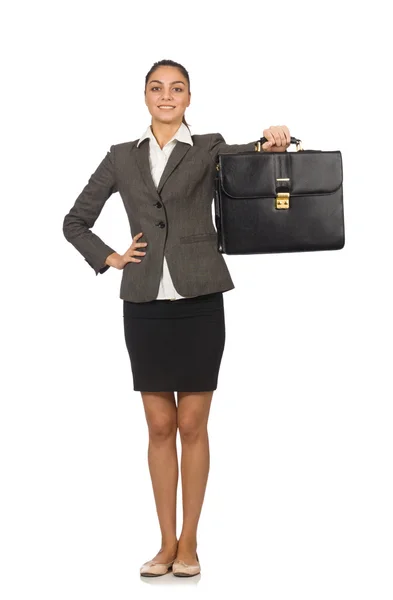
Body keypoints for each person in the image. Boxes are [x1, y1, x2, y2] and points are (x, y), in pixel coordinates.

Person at [63, 58, 291, 578]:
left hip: (201, 299)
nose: (167, 96)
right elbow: (75, 220)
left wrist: (272, 137)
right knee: (159, 424)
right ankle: (164, 543)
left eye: (177, 88)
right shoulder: (121, 157)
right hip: (143, 304)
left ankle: (190, 542)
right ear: (144, 96)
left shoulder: (209, 146)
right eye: (156, 88)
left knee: (192, 422)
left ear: (189, 98)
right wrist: (110, 256)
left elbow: (255, 158)